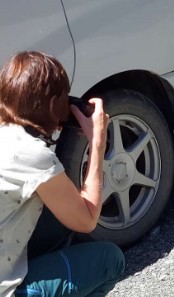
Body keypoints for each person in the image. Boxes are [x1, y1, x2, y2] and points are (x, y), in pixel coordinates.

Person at [0, 51, 125, 297]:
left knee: (58, 225)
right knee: (110, 260)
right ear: (51, 104)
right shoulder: (31, 154)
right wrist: (97, 142)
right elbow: (86, 220)